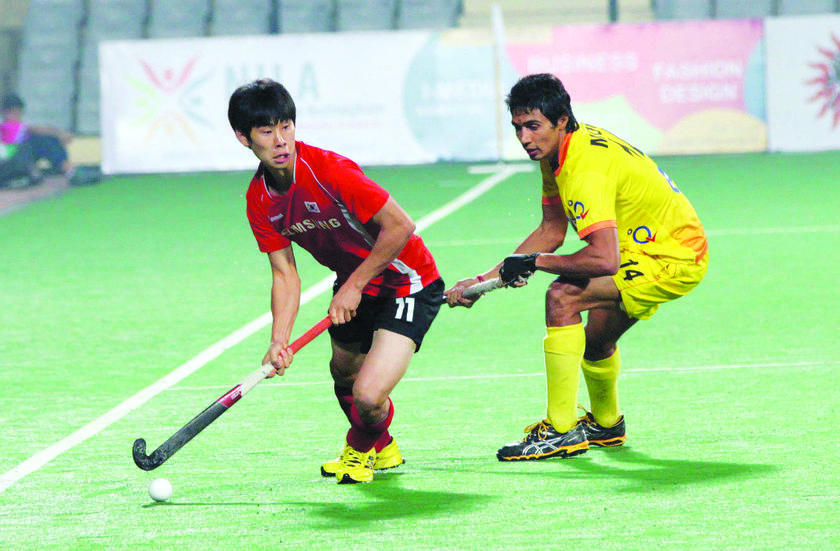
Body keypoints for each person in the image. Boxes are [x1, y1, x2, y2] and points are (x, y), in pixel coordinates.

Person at [445, 73, 708, 461]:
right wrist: (485, 281)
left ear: (561, 120)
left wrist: (536, 263)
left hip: (671, 256)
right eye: (518, 127)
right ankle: (607, 425)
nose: (524, 138)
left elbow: (604, 259)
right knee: (596, 340)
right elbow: (551, 230)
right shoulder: (560, 152)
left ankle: (560, 430)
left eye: (533, 126)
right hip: (649, 247)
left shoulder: (583, 170)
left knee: (563, 295)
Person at [228, 78, 444, 483]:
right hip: (356, 284)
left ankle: (357, 450)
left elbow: (400, 227)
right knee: (343, 375)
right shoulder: (258, 199)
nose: (280, 140)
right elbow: (285, 274)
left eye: (286, 126)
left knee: (367, 395)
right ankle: (382, 448)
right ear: (243, 137)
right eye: (266, 131)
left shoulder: (330, 170)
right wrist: (279, 339)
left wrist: (356, 283)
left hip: (408, 282)